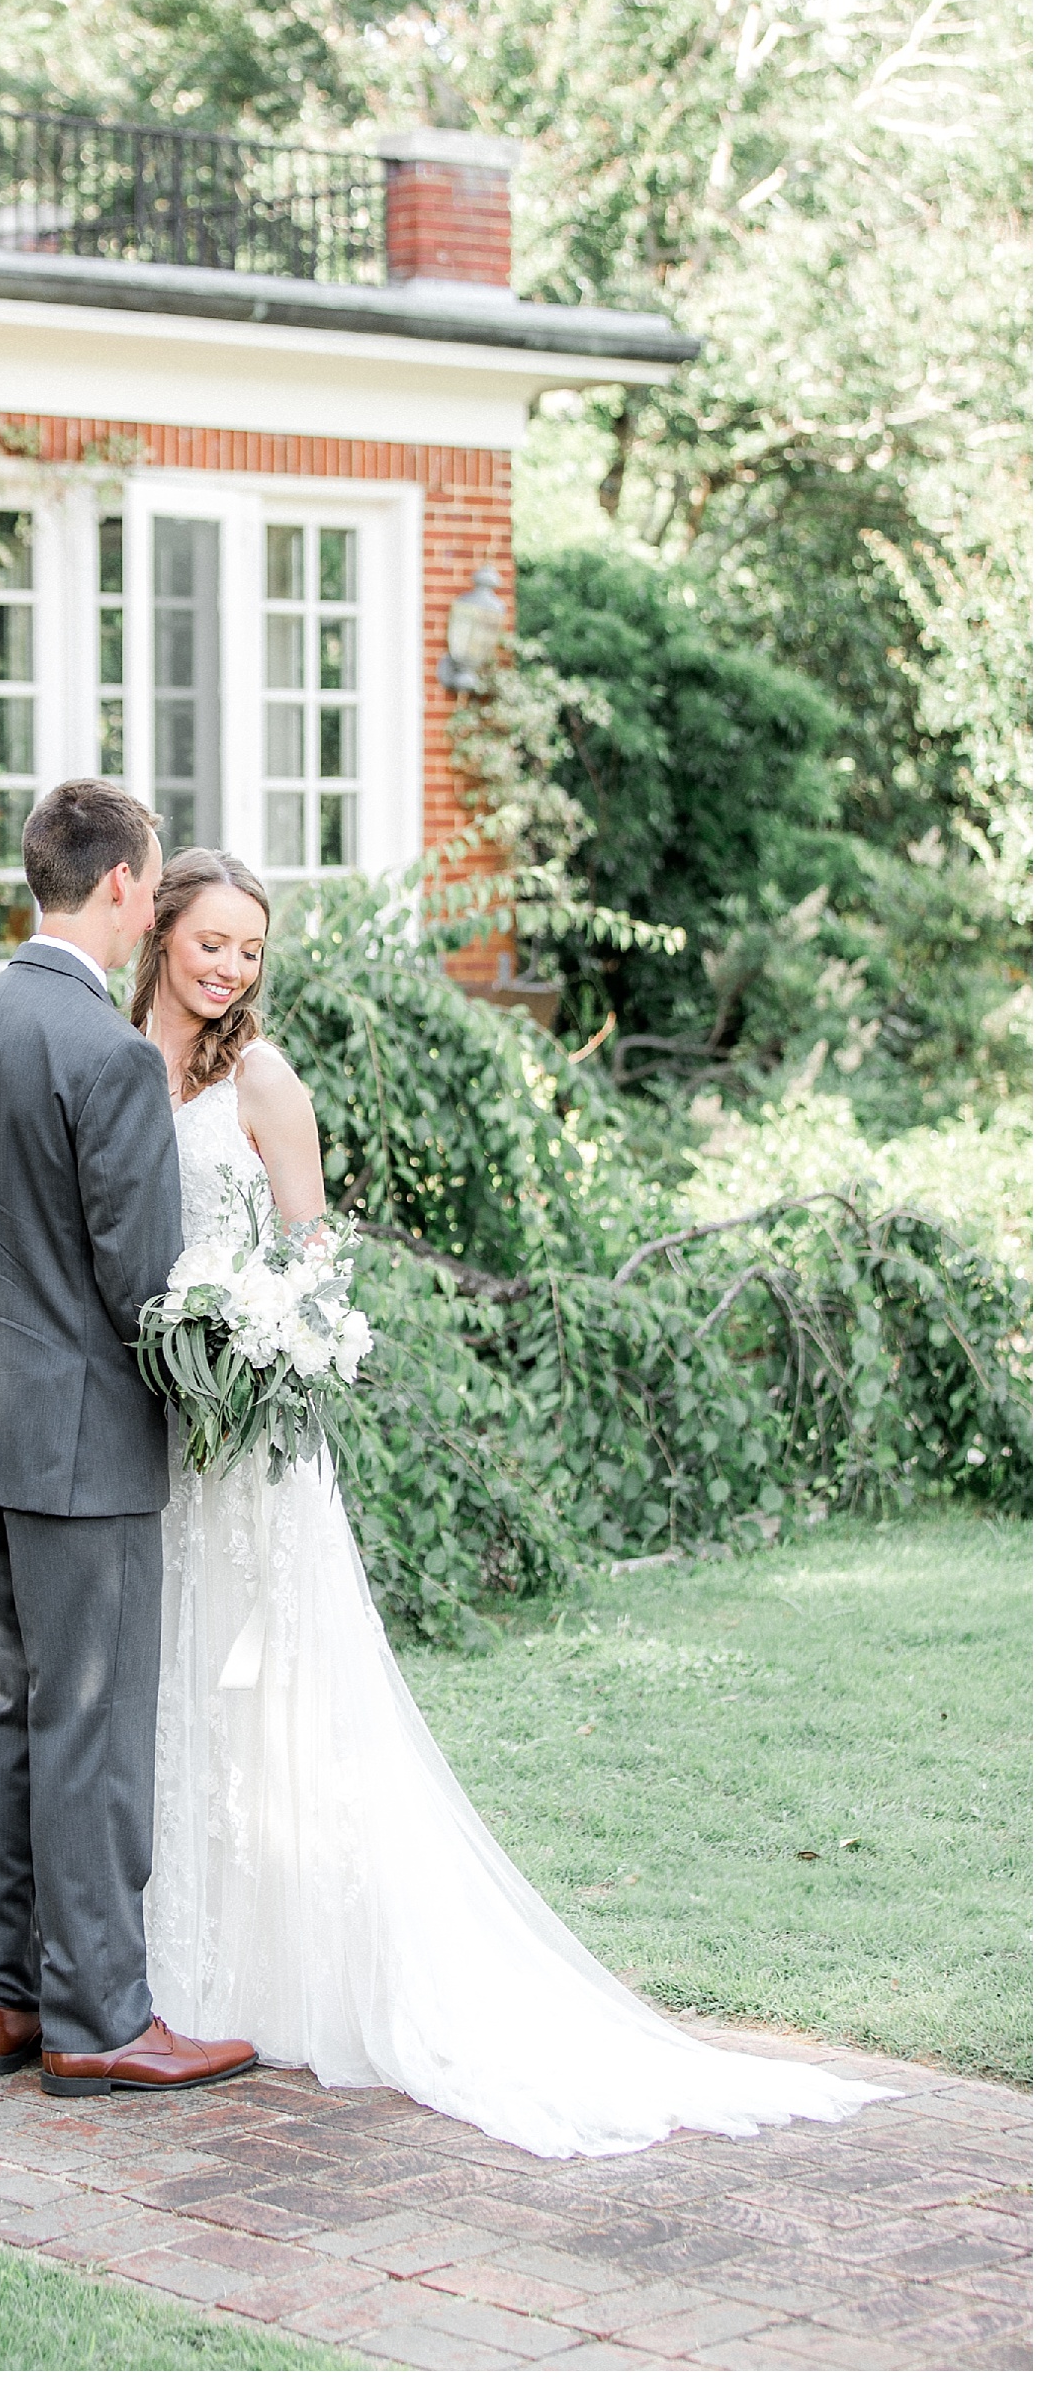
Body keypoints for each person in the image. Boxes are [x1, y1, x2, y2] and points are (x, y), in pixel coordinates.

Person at [132, 844, 896, 2160]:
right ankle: (183, 1962)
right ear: (158, 932)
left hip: (251, 1443)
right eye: (212, 942)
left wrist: (263, 1339)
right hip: (161, 1433)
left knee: (272, 1690)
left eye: (251, 950)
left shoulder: (264, 1078)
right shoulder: (116, 1067)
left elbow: (311, 1256)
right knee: (182, 1686)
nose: (231, 969)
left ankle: (287, 1972)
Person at [0, 780, 258, 2100]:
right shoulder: (110, 1056)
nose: (153, 906)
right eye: (154, 886)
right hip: (87, 1449)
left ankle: (1, 2004)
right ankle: (102, 2016)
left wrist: (12, 1344)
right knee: (93, 1731)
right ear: (121, 885)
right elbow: (145, 1284)